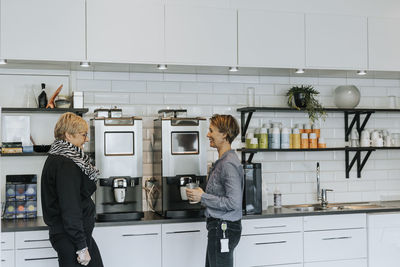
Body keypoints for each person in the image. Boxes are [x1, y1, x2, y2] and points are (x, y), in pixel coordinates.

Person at [41, 112, 103, 267]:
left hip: (71, 234)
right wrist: (81, 246)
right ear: (68, 135)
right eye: (83, 135)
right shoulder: (65, 164)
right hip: (71, 237)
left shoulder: (59, 156)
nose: (87, 139)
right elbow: (70, 206)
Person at [186, 114, 244, 267]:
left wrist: (203, 197)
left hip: (223, 228)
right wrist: (201, 194)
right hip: (220, 228)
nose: (207, 134)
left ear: (224, 134)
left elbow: (234, 202)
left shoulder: (228, 164)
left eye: (211, 130)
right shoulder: (224, 161)